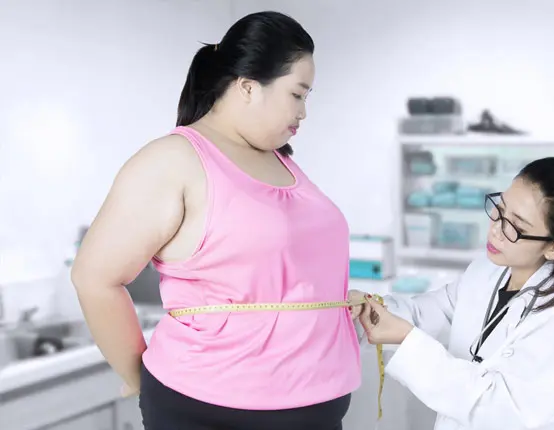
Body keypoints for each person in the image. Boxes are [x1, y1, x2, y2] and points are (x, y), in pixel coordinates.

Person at [71, 11, 360, 430]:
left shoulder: (281, 162)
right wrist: (139, 379)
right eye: (297, 94)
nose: (303, 112)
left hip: (319, 403)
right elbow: (93, 278)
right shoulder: (173, 160)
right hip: (205, 406)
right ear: (248, 86)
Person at [351, 157, 554, 430]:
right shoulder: (486, 272)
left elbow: (501, 410)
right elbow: (430, 313)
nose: (496, 229)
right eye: (500, 208)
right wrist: (369, 311)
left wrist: (407, 340)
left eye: (516, 227)